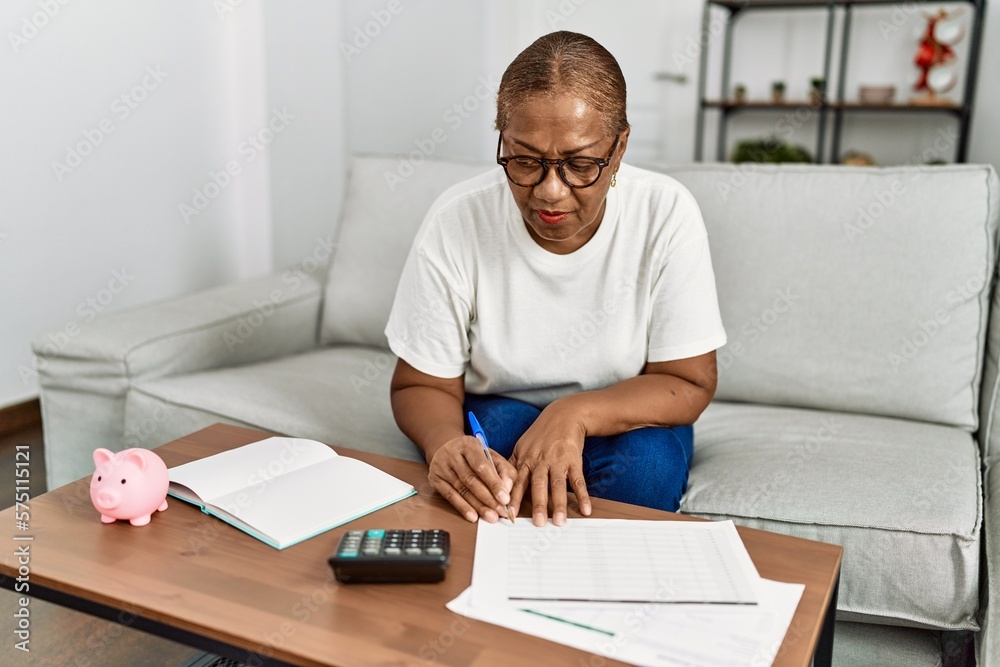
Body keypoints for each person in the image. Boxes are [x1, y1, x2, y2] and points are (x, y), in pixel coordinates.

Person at [385, 31, 726, 527]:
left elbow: (689, 381)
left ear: (620, 147)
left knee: (648, 467)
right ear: (502, 137)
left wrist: (573, 414)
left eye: (580, 164)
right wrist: (446, 446)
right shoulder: (457, 220)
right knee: (494, 453)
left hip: (629, 414)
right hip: (504, 409)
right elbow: (418, 384)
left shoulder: (666, 213)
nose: (549, 191)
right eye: (524, 160)